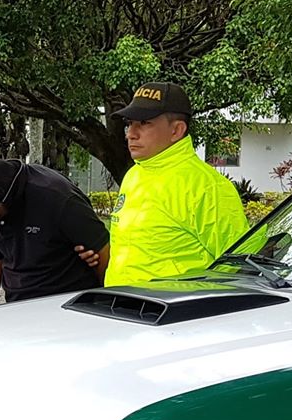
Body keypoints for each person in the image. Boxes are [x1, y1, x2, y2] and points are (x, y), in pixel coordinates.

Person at [80, 82, 248, 286]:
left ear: (177, 130)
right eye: (129, 124)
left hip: (176, 313)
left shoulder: (208, 187)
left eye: (143, 123)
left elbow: (240, 264)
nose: (130, 134)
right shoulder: (134, 175)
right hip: (122, 307)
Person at [0, 158, 110, 307]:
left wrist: (103, 302)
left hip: (67, 302)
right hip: (18, 305)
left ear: (10, 198)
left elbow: (103, 251)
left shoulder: (59, 197)